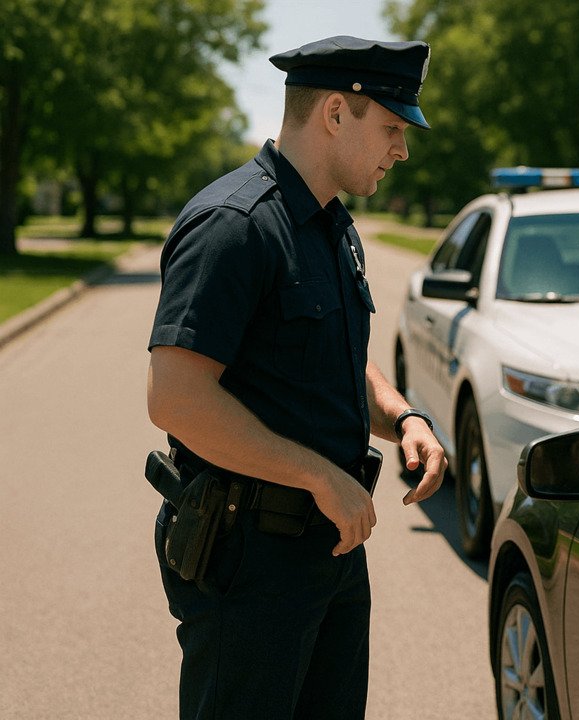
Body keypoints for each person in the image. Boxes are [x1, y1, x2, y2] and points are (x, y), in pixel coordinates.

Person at [145, 36, 446, 719]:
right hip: (247, 558)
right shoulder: (234, 226)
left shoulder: (332, 225)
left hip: (330, 548)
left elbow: (337, 361)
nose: (402, 150)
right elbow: (175, 399)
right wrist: (318, 474)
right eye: (394, 128)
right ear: (336, 113)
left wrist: (405, 418)